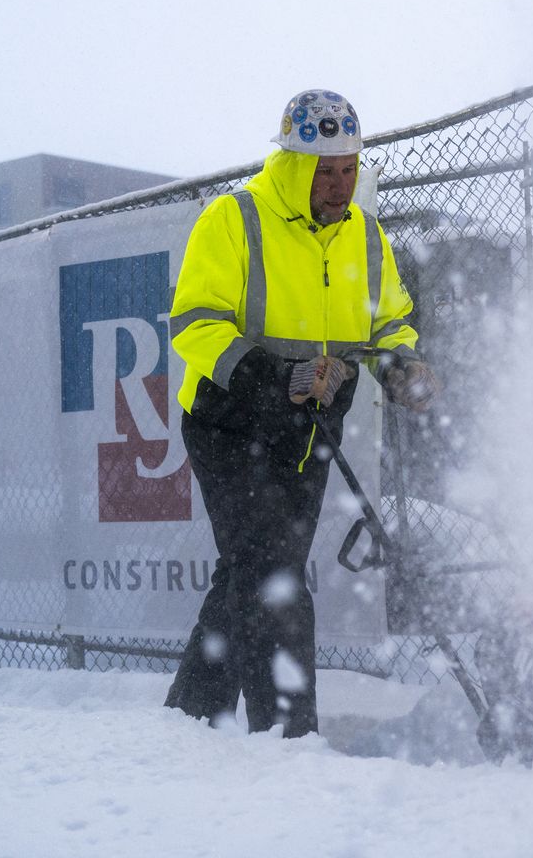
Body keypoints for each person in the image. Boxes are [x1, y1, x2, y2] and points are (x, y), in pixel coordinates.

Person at [164, 88, 439, 736]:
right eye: (326, 170)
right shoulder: (234, 220)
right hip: (228, 424)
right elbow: (194, 323)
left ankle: (191, 716)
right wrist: (276, 379)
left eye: (349, 168)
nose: (340, 184)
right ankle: (286, 740)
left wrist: (400, 366)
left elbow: (389, 320)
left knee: (252, 568)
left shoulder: (366, 238)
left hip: (306, 430)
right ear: (292, 164)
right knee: (271, 570)